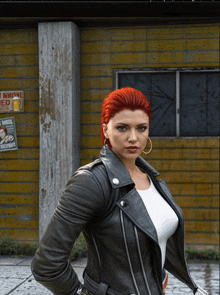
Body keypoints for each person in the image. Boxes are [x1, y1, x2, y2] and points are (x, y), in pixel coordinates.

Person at [31, 87, 208, 295]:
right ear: (106, 129)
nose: (133, 137)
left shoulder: (151, 177)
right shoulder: (91, 182)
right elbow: (46, 264)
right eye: (122, 128)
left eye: (141, 128)